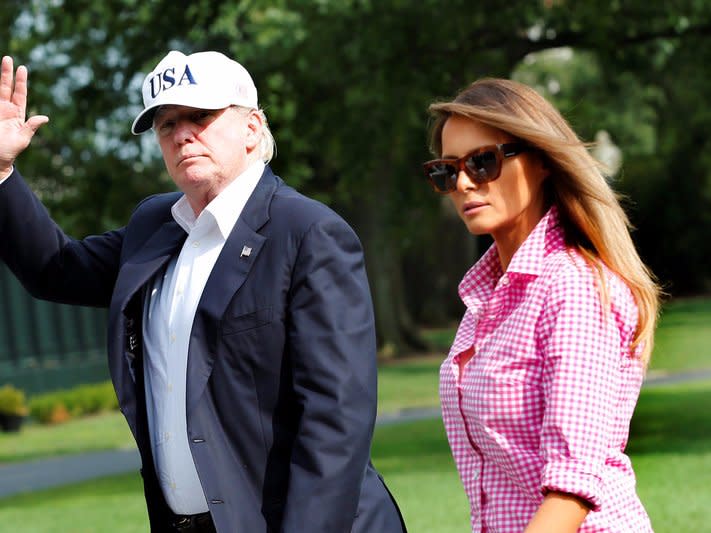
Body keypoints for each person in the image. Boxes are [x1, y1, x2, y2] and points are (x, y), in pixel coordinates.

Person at [0, 51, 407, 533]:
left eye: (201, 116)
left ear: (253, 128)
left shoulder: (310, 233)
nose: (181, 134)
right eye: (165, 123)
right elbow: (56, 271)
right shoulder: (153, 225)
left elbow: (337, 418)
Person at [422, 78, 659, 532]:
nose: (465, 183)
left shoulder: (573, 289)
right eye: (448, 171)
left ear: (542, 160)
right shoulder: (488, 297)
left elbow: (572, 487)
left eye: (483, 161)